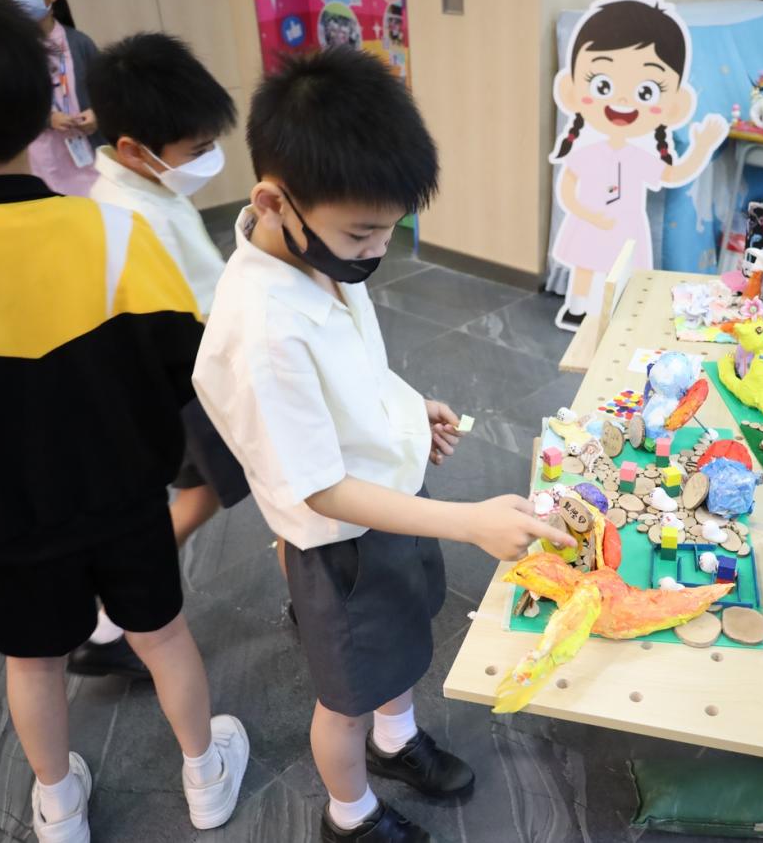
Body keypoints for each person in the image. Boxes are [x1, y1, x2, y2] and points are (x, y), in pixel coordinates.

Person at [192, 47, 573, 842]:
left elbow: (355, 365)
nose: (376, 249)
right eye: (364, 232)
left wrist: (405, 406)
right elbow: (319, 487)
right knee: (346, 696)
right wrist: (469, 522)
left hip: (391, 502)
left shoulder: (321, 257)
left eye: (391, 230)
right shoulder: (264, 327)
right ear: (273, 200)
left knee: (401, 641)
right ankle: (351, 814)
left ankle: (395, 740)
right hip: (340, 544)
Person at [0, 0, 249, 841]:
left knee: (32, 661)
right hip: (124, 496)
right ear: (44, 112)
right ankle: (205, 774)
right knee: (163, 634)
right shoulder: (113, 232)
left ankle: (59, 805)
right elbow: (185, 365)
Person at [69, 31, 250, 678]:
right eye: (196, 151)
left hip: (185, 378)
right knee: (235, 487)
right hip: (190, 384)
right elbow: (191, 313)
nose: (209, 160)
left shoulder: (141, 193)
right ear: (132, 149)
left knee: (204, 493)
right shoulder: (132, 215)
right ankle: (111, 616)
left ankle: (106, 619)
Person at [548, 0, 726, 331]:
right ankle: (577, 307)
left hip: (626, 224)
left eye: (646, 91)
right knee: (585, 264)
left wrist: (701, 148)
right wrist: (586, 214)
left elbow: (674, 173)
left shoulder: (639, 157)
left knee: (620, 268)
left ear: (675, 105)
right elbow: (568, 188)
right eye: (602, 85)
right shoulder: (587, 151)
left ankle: (615, 311)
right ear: (571, 90)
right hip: (590, 220)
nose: (622, 100)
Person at [3, 0, 103, 196]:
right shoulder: (5, 52)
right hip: (38, 163)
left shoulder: (80, 43)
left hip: (89, 159)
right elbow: (4, 107)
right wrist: (47, 119)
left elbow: (110, 95)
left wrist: (98, 113)